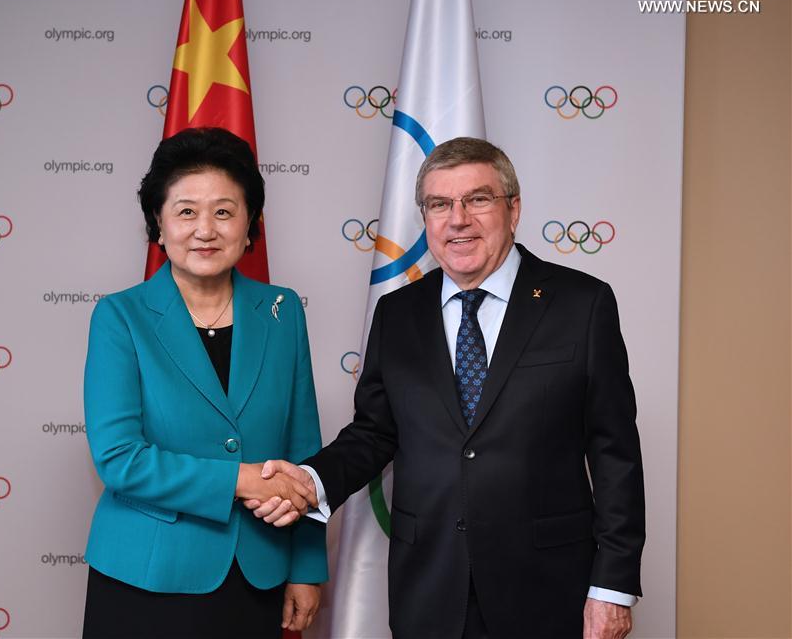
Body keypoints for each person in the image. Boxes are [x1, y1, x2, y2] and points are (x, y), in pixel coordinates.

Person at [248, 138, 645, 639]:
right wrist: (312, 482)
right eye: (439, 204)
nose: (458, 219)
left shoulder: (581, 304)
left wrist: (612, 588)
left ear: (513, 209)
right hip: (431, 585)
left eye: (477, 199)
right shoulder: (398, 314)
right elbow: (374, 433)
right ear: (426, 218)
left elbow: (616, 455)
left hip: (549, 587)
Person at [81, 127, 326, 639]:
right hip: (147, 576)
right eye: (186, 211)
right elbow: (121, 458)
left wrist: (306, 567)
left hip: (257, 574)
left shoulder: (283, 311)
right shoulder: (120, 316)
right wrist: (242, 479)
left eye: (224, 211)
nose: (205, 229)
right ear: (159, 223)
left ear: (249, 222)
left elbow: (303, 452)